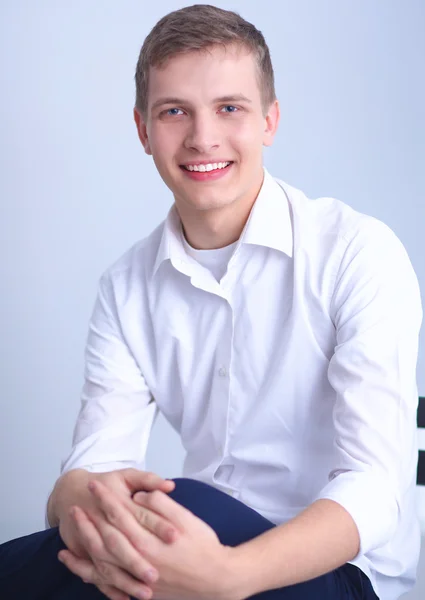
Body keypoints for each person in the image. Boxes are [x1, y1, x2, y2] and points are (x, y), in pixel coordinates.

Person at [0, 4, 422, 600]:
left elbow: (377, 488)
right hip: (191, 544)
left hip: (340, 575)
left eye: (230, 108)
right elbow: (93, 474)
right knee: (79, 548)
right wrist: (83, 506)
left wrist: (230, 576)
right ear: (144, 131)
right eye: (175, 112)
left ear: (270, 120)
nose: (203, 137)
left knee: (179, 505)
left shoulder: (357, 252)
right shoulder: (126, 287)